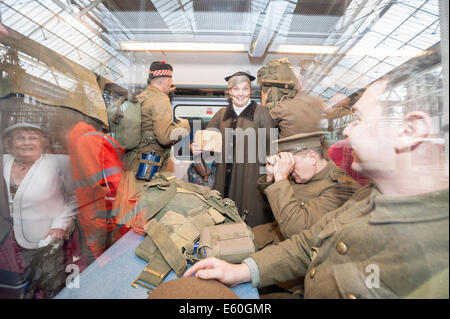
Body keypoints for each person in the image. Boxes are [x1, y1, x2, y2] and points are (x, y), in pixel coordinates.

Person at [184, 60, 449, 298]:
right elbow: (310, 242)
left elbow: (300, 233)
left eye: (358, 118)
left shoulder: (432, 251)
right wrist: (243, 270)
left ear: (410, 130)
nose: (346, 129)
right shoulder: (366, 198)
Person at [1, 123, 78, 297]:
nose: (26, 142)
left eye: (32, 138)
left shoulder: (58, 163)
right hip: (6, 244)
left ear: (43, 143)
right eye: (20, 138)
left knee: (47, 286)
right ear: (10, 143)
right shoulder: (3, 161)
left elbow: (72, 199)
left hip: (44, 242)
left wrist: (60, 225)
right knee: (12, 288)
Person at [192, 71, 277, 227]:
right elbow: (207, 144)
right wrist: (196, 147)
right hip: (223, 175)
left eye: (245, 89)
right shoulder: (221, 114)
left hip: (252, 178)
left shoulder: (261, 113)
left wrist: (270, 177)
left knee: (251, 222)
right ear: (230, 91)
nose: (241, 94)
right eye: (236, 89)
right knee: (222, 222)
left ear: (250, 91)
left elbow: (272, 149)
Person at [253, 131, 361, 248]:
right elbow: (272, 209)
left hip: (296, 250)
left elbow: (296, 231)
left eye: (292, 164)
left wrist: (280, 179)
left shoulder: (340, 188)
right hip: (270, 236)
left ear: (312, 157)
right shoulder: (301, 174)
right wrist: (271, 175)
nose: (289, 170)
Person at [67, 121, 129, 260]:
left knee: (105, 261)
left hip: (100, 218)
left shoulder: (85, 141)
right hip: (106, 216)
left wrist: (104, 223)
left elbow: (105, 187)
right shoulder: (96, 139)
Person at [124, 61, 190, 175]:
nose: (171, 84)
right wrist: (185, 126)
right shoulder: (160, 98)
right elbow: (164, 137)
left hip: (133, 159)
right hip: (150, 162)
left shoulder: (141, 97)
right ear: (167, 80)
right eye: (170, 81)